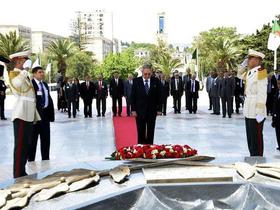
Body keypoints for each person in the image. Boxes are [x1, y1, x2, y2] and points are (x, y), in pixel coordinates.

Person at [9, 51, 41, 178]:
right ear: (18, 61)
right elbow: (16, 85)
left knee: (26, 145)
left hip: (28, 114)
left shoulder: (24, 75)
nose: (26, 62)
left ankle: (22, 171)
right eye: (24, 60)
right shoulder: (13, 74)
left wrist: (29, 72)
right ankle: (17, 174)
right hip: (21, 114)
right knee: (20, 146)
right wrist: (25, 70)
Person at [238, 49, 267, 156]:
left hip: (256, 110)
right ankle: (252, 157)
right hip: (248, 109)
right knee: (250, 137)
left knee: (257, 138)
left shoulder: (261, 72)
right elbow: (239, 74)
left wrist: (259, 112)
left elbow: (262, 93)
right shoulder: (250, 72)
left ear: (257, 60)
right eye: (248, 59)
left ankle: (258, 159)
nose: (248, 61)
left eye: (250, 59)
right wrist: (243, 64)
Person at [131, 64, 162, 144]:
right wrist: (133, 110)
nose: (147, 76)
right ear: (142, 72)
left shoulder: (156, 81)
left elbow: (159, 95)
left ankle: (150, 148)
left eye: (149, 74)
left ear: (151, 73)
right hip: (139, 111)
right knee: (140, 130)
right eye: (145, 74)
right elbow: (132, 96)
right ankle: (141, 148)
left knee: (151, 131)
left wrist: (159, 109)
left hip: (152, 111)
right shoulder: (136, 81)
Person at [29, 66, 54, 162]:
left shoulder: (45, 85)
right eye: (40, 72)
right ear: (34, 74)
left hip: (45, 116)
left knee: (46, 139)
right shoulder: (31, 85)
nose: (42, 74)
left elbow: (48, 98)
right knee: (33, 140)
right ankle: (31, 160)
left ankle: (46, 159)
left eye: (42, 72)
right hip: (35, 117)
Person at [272, 78, 280, 150]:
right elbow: (275, 104)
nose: (278, 85)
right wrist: (273, 118)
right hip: (277, 116)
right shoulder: (277, 91)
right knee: (277, 132)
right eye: (278, 83)